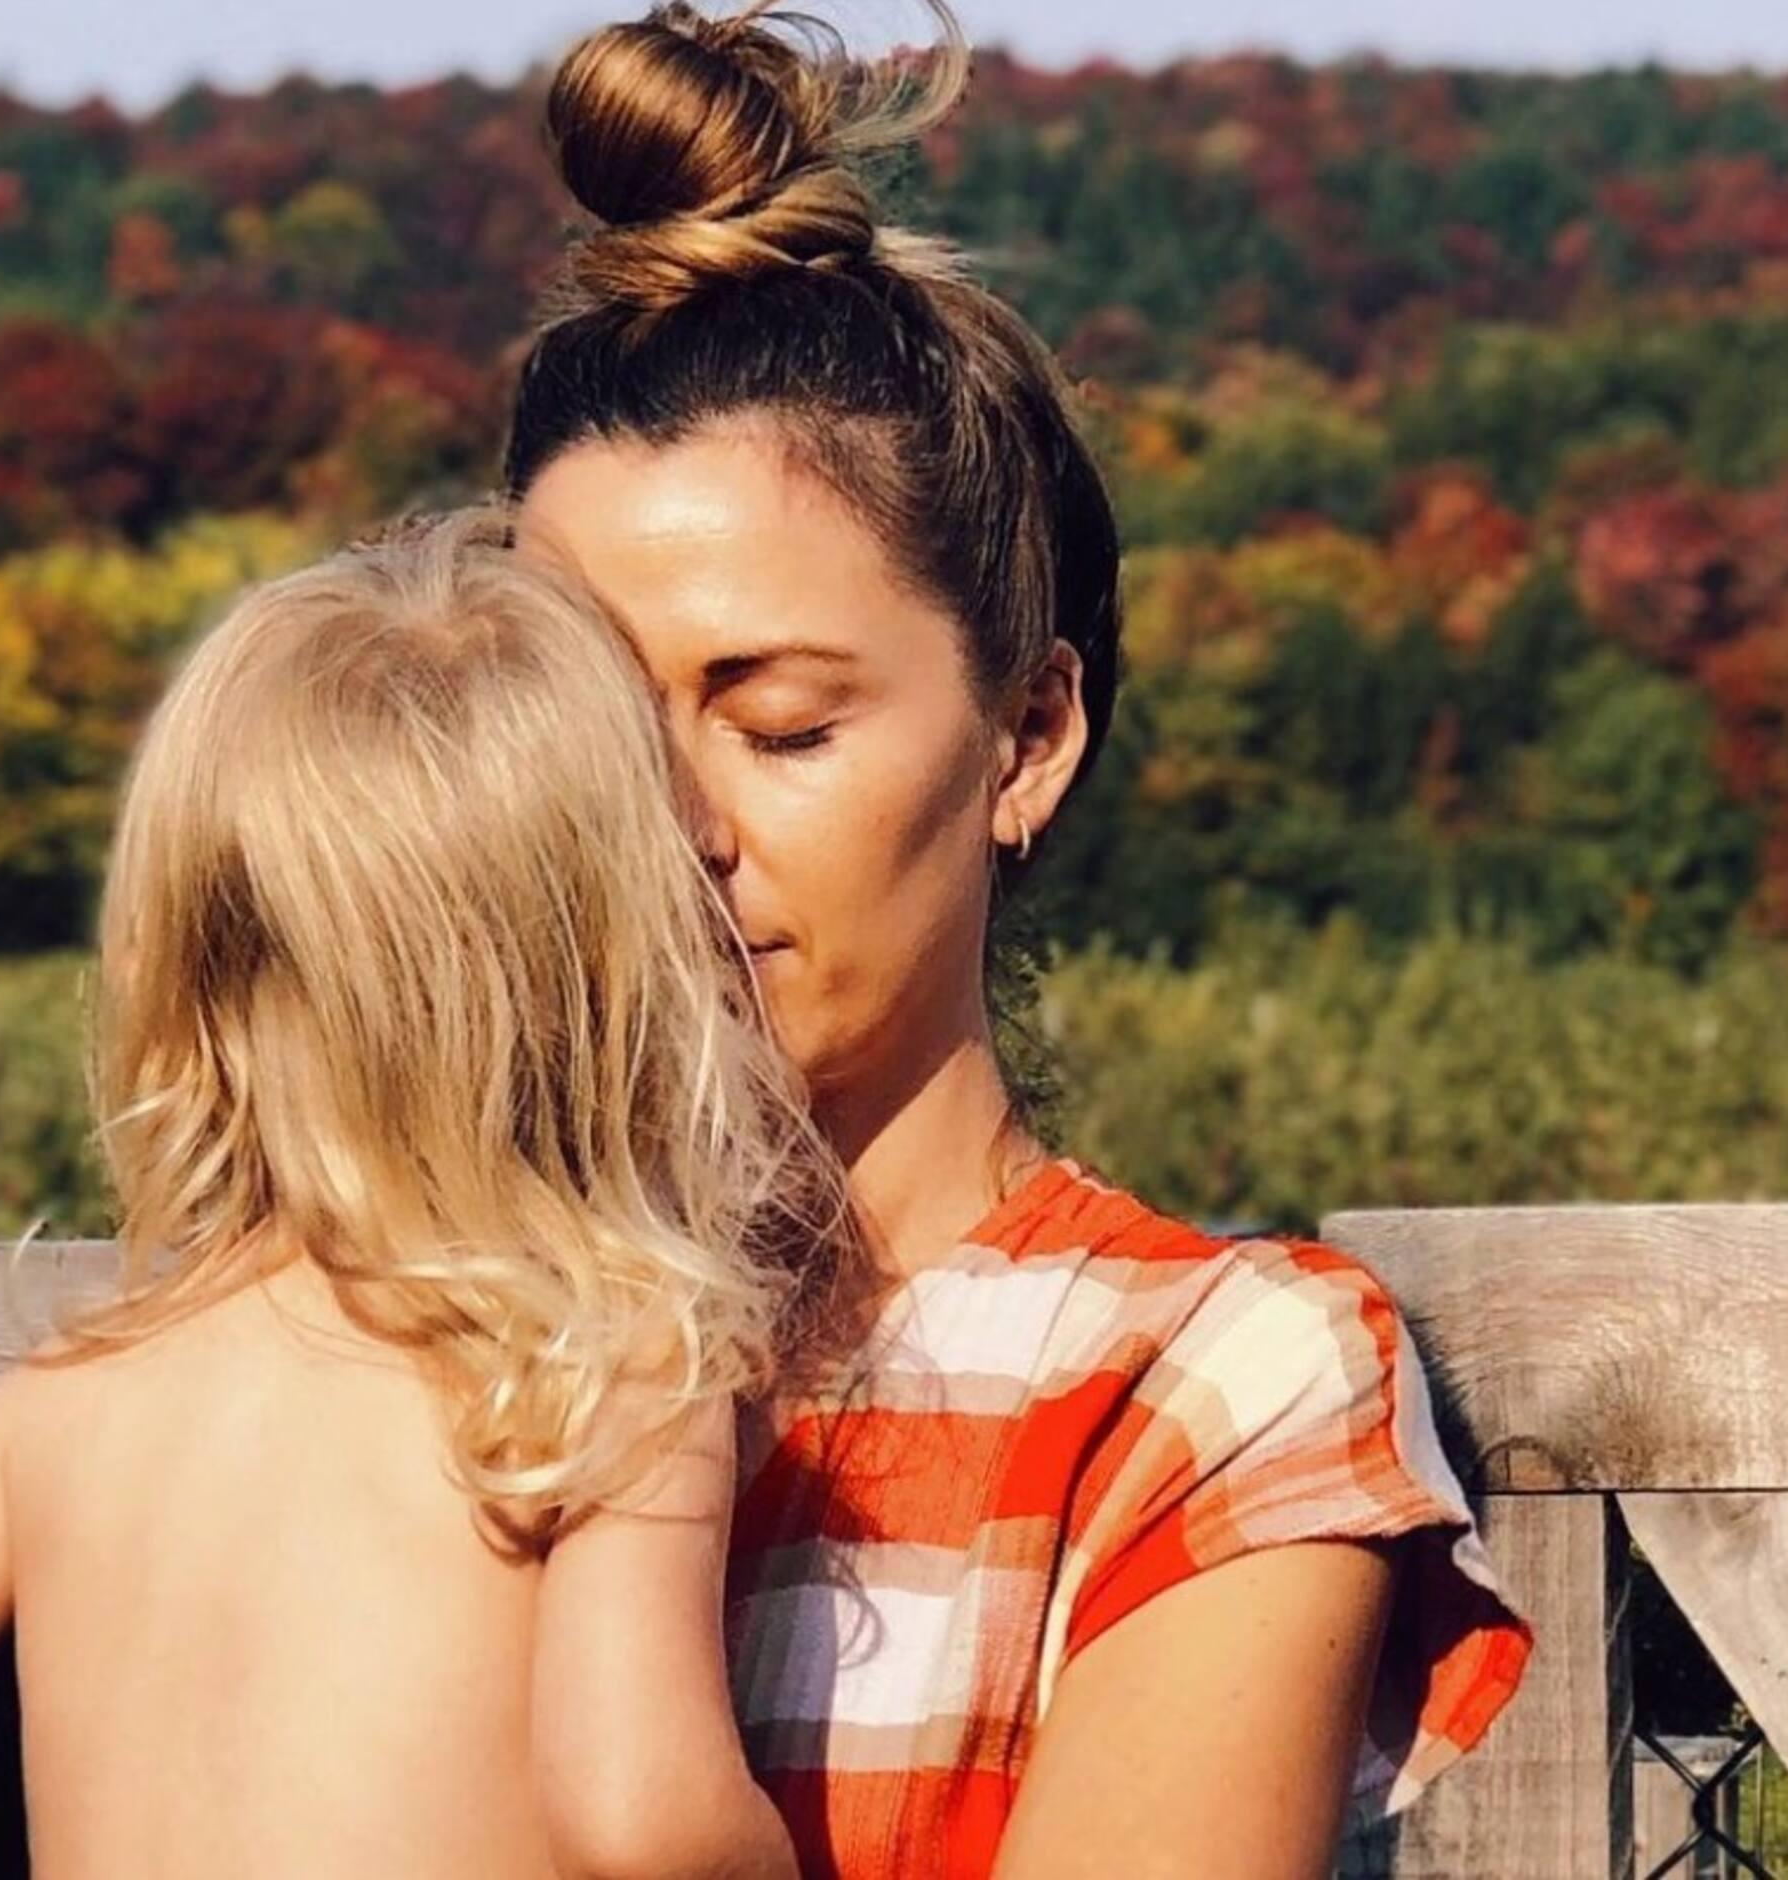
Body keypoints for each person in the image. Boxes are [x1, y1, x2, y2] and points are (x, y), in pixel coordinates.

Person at [504, 6, 1534, 1875]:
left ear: (1028, 736)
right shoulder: (418, 1319)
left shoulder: (1209, 1384)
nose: (670, 831)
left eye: (785, 724)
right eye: (582, 730)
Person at [0, 511, 844, 1880]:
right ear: (616, 970)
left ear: (195, 967)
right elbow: (642, 1821)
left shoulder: (64, 1399)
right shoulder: (599, 1372)